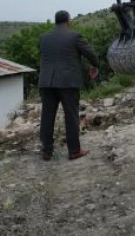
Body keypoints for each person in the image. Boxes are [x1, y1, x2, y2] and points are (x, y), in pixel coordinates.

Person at [38, 10, 100, 161]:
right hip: (68, 82)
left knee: (47, 116)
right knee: (71, 116)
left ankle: (46, 151)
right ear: (68, 20)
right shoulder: (74, 36)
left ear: (55, 21)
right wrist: (95, 65)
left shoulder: (44, 38)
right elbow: (90, 53)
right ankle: (74, 151)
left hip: (46, 82)